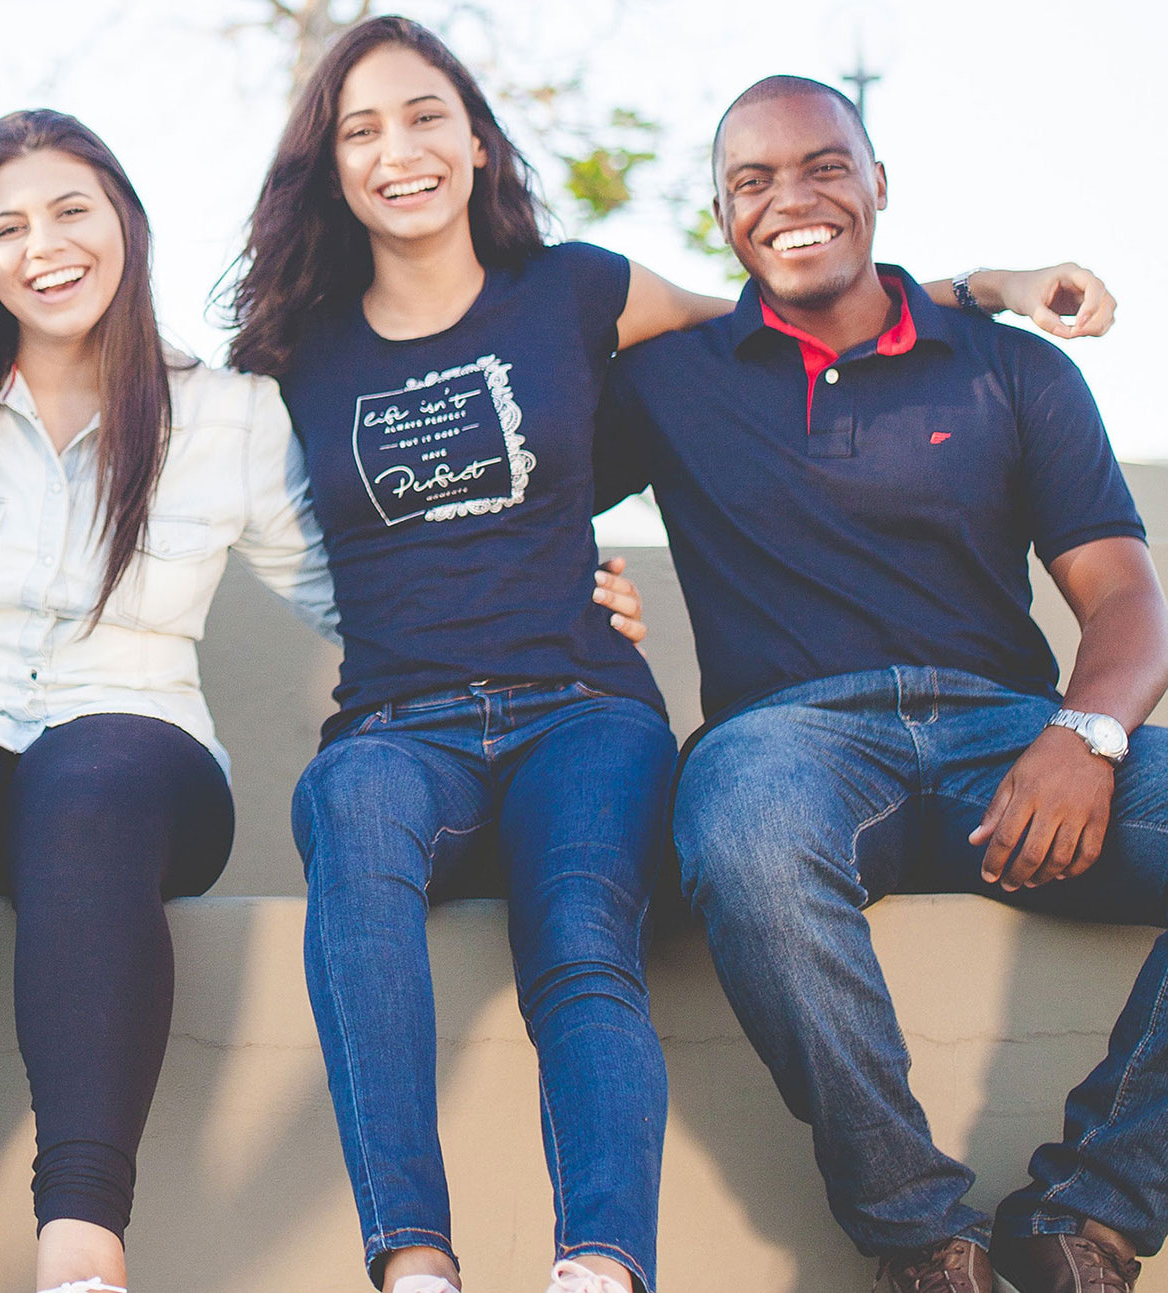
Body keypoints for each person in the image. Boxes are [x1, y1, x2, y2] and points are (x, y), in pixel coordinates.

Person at [221, 18, 1113, 1293]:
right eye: (361, 128)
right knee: (348, 845)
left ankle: (603, 1267)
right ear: (330, 164)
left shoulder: (583, 289)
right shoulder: (294, 352)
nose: (399, 150)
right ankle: (413, 1262)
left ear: (475, 142)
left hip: (584, 704)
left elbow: (791, 306)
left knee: (583, 940)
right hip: (393, 722)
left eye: (426, 116)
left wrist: (989, 287)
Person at [0, 108, 646, 1293]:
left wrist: (548, 593)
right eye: (6, 226)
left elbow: (363, 589)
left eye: (70, 210)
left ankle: (80, 1257)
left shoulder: (227, 415)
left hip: (143, 751)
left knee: (88, 777)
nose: (43, 245)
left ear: (124, 219)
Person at [597, 75, 1162, 1293]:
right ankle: (921, 1240)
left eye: (823, 167)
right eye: (752, 182)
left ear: (878, 186)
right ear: (720, 217)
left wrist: (1087, 735)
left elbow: (1125, 600)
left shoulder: (1011, 368)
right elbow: (503, 421)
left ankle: (1091, 1220)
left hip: (1011, 742)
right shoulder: (671, 379)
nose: (790, 199)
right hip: (788, 745)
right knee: (739, 832)